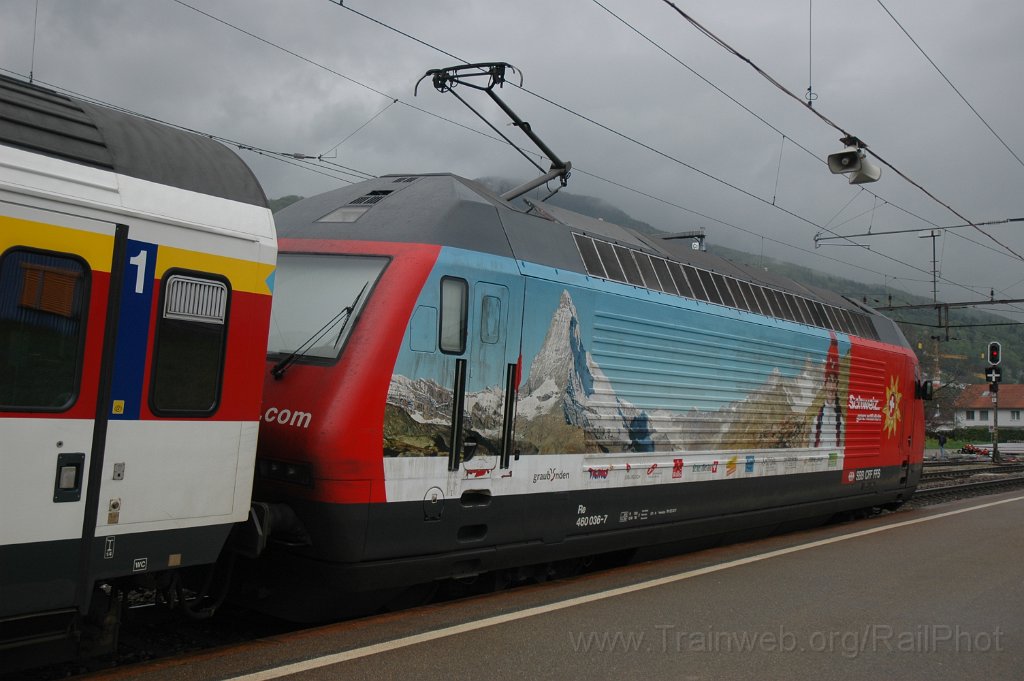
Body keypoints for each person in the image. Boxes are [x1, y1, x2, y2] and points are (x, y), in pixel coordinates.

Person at [810, 334, 843, 449]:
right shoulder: (817, 419)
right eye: (829, 381)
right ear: (825, 385)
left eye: (834, 382)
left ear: (837, 386)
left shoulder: (840, 421)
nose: (831, 387)